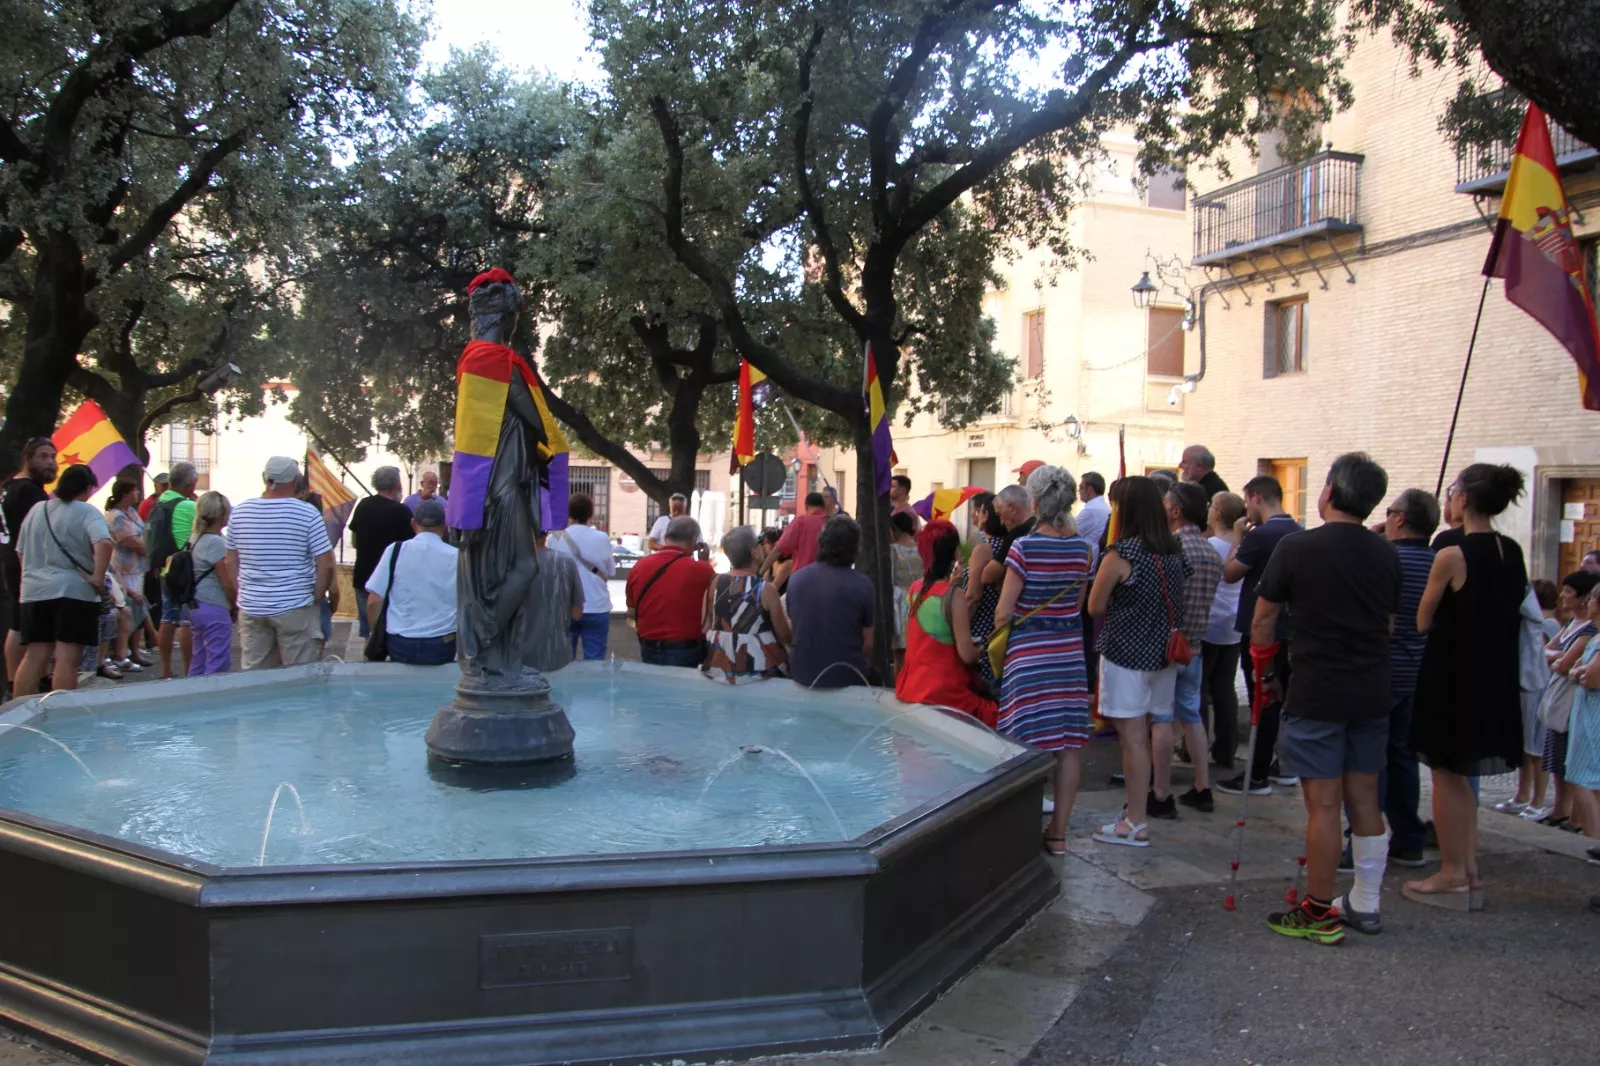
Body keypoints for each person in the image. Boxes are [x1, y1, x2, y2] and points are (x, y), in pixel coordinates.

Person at [1251, 453, 1398, 943]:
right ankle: (1365, 901)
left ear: (1330, 491)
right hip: (1371, 688)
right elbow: (1388, 624)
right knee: (1365, 797)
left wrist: (1265, 672)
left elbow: (1263, 619)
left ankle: (1316, 910)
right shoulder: (1387, 554)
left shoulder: (1297, 547)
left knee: (1323, 804)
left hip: (1317, 688)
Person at [1408, 463, 1529, 911]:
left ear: (1462, 498)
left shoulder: (1452, 554)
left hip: (1454, 675)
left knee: (1447, 778)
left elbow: (1423, 619)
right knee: (1461, 778)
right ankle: (1469, 869)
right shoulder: (1510, 550)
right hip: (1494, 674)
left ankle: (1452, 874)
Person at [991, 467, 1092, 853]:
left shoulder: (1024, 548)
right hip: (1068, 659)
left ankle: (1020, 832)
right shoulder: (1084, 550)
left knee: (1023, 741)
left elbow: (1004, 612)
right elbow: (1076, 606)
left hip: (1029, 659)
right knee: (1068, 747)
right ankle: (1059, 833)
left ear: (1034, 501)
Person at [1087, 476, 1189, 847]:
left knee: (1132, 741)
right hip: (1164, 654)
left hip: (1126, 654)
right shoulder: (1174, 550)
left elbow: (1095, 606)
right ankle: (1137, 811)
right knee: (1147, 732)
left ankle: (1135, 821)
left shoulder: (1121, 554)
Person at [1216, 475, 1302, 796]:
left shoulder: (1261, 535)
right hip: (1289, 627)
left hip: (1260, 627)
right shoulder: (1298, 530)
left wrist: (1238, 536)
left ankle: (1257, 773)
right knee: (1282, 699)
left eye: (1246, 502)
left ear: (1255, 497)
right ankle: (1285, 766)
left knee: (1261, 700)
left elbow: (1229, 573)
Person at [1375, 487, 1441, 867]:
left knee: (1370, 758)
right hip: (1416, 673)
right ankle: (1408, 837)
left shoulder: (1386, 560)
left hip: (1381, 671)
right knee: (1402, 756)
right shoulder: (1436, 562)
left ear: (1399, 519)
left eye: (1390, 512)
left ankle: (1362, 839)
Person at [1152, 482, 1223, 815]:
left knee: (1161, 719)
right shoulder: (1211, 552)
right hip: (1194, 647)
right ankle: (1202, 785)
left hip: (1167, 648)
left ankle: (1161, 791)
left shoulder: (1171, 549)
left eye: (1165, 504)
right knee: (1192, 716)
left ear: (1176, 510)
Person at [226, 457, 335, 670]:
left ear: (264, 478)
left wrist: (243, 592)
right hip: (296, 605)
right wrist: (316, 597)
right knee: (300, 673)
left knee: (256, 673)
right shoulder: (307, 513)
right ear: (295, 481)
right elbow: (326, 564)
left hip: (252, 606)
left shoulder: (239, 512)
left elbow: (230, 560)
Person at [12, 465, 112, 696]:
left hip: (34, 592)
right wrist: (97, 577)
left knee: (34, 656)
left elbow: (20, 551)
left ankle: (18, 710)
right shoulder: (87, 511)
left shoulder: (38, 509)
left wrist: (33, 574)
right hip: (73, 592)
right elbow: (104, 543)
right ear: (87, 488)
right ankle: (62, 711)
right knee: (67, 658)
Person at [898, 518, 993, 712]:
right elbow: (967, 655)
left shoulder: (915, 589)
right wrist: (983, 650)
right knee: (994, 712)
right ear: (955, 553)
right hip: (943, 692)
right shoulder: (954, 595)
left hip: (911, 687)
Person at [1536, 572, 1600, 828]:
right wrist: (1568, 664)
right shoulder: (1579, 628)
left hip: (1586, 712)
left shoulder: (1591, 632)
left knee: (1582, 774)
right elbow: (1552, 655)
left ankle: (1587, 828)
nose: (1562, 596)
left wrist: (1570, 667)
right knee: (1568, 766)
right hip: (1575, 707)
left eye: (1569, 591)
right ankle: (1571, 817)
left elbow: (1576, 671)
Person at [785, 515, 876, 687]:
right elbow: (868, 645)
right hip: (847, 674)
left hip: (802, 674)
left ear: (822, 542)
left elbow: (794, 627)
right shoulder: (863, 585)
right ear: (855, 548)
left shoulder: (796, 579)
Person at [364, 499, 457, 666]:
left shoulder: (395, 551)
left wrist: (375, 632)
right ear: (444, 526)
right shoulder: (456, 556)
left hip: (400, 642)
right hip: (442, 642)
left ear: (413, 524)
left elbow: (374, 601)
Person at [1500, 578, 1565, 817]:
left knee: (1536, 748)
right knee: (1526, 748)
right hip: (1530, 689)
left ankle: (1537, 801)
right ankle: (1522, 794)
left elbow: (1544, 655)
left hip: (1540, 689)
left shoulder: (1547, 625)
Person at [702, 526, 790, 682]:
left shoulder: (714, 583)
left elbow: (705, 627)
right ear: (754, 553)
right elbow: (784, 635)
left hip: (719, 668)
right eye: (759, 544)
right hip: (759, 670)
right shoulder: (766, 589)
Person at [3, 438, 58, 687]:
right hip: (24, 566)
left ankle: (33, 678)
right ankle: (15, 683)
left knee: (22, 624)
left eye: (52, 457)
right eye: (43, 456)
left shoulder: (11, 486)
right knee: (20, 627)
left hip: (17, 564)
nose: (50, 463)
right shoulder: (28, 492)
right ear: (27, 459)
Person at [627, 515, 715, 667]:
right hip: (687, 648)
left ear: (666, 537)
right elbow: (713, 605)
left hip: (649, 646)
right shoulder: (702, 570)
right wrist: (705, 562)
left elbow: (631, 611)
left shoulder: (639, 566)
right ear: (694, 541)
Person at [1202, 492, 1246, 770]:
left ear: (1218, 513)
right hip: (1233, 623)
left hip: (1209, 623)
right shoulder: (1243, 546)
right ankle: (1226, 749)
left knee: (1200, 688)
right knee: (1225, 688)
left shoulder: (1211, 546)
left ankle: (1195, 746)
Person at [348, 466, 415, 639]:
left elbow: (354, 541)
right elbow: (410, 549)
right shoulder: (401, 512)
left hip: (364, 578)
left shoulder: (363, 506)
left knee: (370, 636)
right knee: (389, 634)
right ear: (396, 484)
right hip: (391, 582)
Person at [549, 493, 615, 661]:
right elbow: (610, 571)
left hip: (564, 605)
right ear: (591, 514)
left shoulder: (554, 538)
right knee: (595, 661)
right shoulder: (602, 538)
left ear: (569, 513)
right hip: (596, 605)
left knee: (563, 660)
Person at [150, 461, 199, 679]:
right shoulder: (187, 506)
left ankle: (166, 669)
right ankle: (189, 671)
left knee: (168, 618)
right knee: (188, 621)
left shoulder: (160, 502)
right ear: (190, 483)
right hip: (185, 569)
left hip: (166, 568)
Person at [103, 479, 153, 672]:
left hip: (137, 567)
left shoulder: (131, 511)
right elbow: (134, 542)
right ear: (125, 493)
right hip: (125, 568)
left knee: (138, 608)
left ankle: (135, 649)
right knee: (131, 606)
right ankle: (125, 651)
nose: (138, 493)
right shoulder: (116, 516)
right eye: (134, 490)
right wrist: (151, 550)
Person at [185, 492, 237, 676]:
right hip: (214, 604)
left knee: (199, 657)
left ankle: (193, 691)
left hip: (196, 604)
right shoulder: (216, 543)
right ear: (221, 514)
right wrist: (236, 605)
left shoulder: (195, 538)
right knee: (217, 660)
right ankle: (214, 692)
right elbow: (227, 582)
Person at [964, 492, 1006, 688]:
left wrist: (958, 625)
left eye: (978, 512)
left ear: (986, 515)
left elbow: (973, 596)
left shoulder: (984, 550)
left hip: (979, 626)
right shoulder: (1009, 546)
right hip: (999, 628)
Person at [889, 511, 922, 666]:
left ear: (895, 529)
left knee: (900, 654)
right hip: (920, 598)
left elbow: (890, 577)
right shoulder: (921, 549)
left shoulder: (893, 550)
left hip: (900, 601)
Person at [773, 492, 829, 573]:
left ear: (806, 506)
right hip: (827, 575)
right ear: (823, 506)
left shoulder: (800, 522)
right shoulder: (831, 523)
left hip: (803, 574)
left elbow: (778, 549)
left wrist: (761, 572)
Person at [1075, 472, 1110, 556]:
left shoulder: (1091, 510)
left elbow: (1068, 534)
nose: (1078, 491)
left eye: (1081, 487)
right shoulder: (1103, 507)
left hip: (1087, 560)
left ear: (1090, 489)